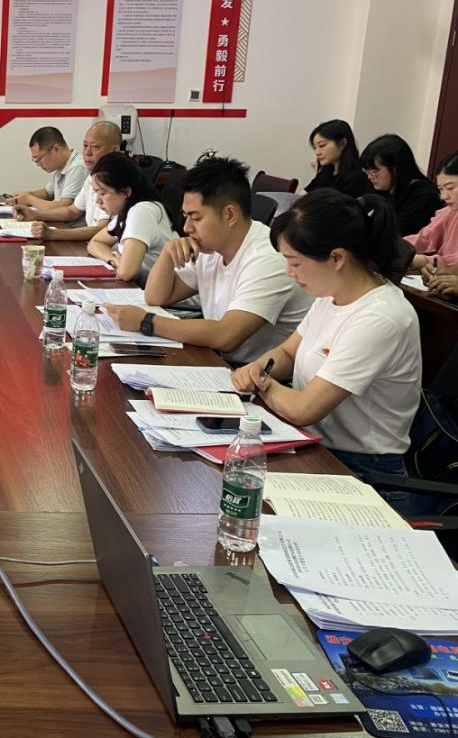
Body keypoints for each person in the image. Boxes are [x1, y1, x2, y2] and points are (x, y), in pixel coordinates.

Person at [231, 191, 425, 515]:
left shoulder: (381, 317)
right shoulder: (330, 294)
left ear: (337, 258)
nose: (289, 272)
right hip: (315, 447)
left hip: (362, 471)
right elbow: (288, 353)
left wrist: (262, 383)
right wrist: (258, 367)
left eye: (295, 262)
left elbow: (304, 409)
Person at [103, 158, 311, 364]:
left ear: (230, 215)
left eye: (196, 218)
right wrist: (166, 255)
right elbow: (155, 297)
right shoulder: (210, 247)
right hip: (220, 361)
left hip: (258, 374)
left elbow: (226, 336)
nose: (187, 227)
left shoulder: (267, 259)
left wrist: (146, 321)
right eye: (185, 216)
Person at [85, 152, 175, 284]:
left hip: (165, 294)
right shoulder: (128, 210)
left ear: (126, 192)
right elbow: (94, 243)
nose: (97, 200)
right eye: (96, 192)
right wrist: (113, 259)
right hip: (142, 288)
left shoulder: (142, 211)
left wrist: (121, 264)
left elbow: (127, 273)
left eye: (102, 193)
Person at [28, 120, 122, 242]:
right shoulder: (92, 176)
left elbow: (101, 229)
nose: (87, 152)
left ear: (114, 150)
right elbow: (72, 211)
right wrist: (34, 214)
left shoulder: (117, 180)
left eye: (95, 147)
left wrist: (52, 234)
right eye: (85, 146)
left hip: (107, 247)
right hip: (93, 244)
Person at [359, 134, 442, 237]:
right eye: (367, 172)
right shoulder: (380, 188)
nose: (370, 177)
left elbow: (395, 233)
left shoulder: (423, 195)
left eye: (375, 172)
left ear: (396, 168)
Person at [5, 127, 87, 222]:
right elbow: (47, 193)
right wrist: (27, 194)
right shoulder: (60, 166)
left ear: (56, 149)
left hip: (70, 227)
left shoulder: (78, 167)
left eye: (38, 159)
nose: (38, 164)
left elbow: (63, 206)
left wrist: (28, 199)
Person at [406, 149, 458, 272]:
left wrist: (423, 261)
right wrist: (393, 246)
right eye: (441, 189)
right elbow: (424, 238)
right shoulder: (449, 212)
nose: (444, 196)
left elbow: (454, 263)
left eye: (450, 188)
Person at [305, 119, 370, 198]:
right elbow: (303, 195)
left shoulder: (355, 178)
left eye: (322, 145)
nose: (317, 152)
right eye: (315, 148)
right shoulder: (326, 173)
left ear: (342, 143)